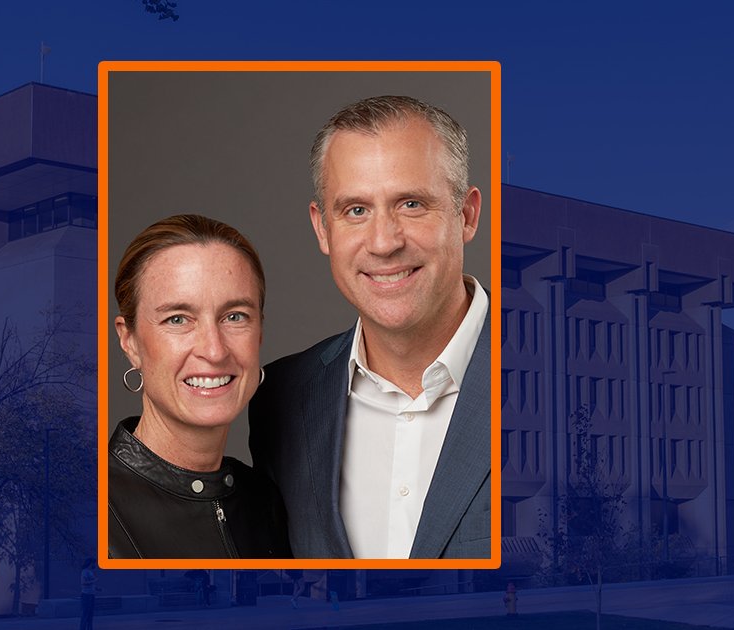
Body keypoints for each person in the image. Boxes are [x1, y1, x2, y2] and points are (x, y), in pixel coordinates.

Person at [250, 95, 491, 559]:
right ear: (323, 229)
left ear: (467, 215)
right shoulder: (280, 401)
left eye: (412, 203)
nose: (383, 242)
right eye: (356, 210)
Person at [109, 214, 291, 559]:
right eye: (178, 319)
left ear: (260, 333)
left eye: (235, 316)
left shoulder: (268, 502)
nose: (214, 350)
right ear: (130, 341)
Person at [78, 558, 96, 630]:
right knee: (85, 614)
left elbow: (91, 583)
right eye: (93, 563)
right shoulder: (84, 572)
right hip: (86, 595)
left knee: (90, 614)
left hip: (91, 595)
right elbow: (83, 583)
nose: (94, 565)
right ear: (90, 563)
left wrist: (96, 588)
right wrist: (94, 580)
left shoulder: (90, 571)